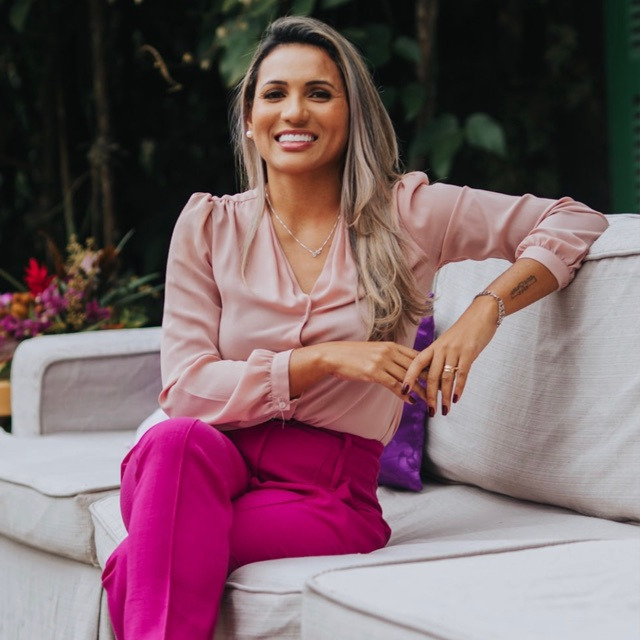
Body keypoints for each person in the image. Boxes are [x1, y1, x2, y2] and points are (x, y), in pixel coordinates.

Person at [101, 15, 608, 639]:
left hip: (326, 492)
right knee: (172, 444)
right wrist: (324, 359)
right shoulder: (208, 227)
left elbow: (574, 220)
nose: (295, 111)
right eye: (275, 93)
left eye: (319, 93)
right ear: (250, 120)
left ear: (352, 114)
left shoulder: (410, 214)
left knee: (143, 556)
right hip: (209, 460)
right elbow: (185, 389)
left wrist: (486, 310)